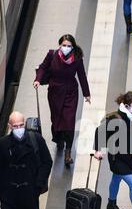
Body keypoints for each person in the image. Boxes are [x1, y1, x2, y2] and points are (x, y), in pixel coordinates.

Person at [34, 34, 91, 167]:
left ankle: (68, 152)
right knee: (56, 118)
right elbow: (43, 67)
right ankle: (59, 139)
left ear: (73, 47)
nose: (66, 48)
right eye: (64, 45)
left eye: (69, 46)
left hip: (71, 92)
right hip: (54, 92)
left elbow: (81, 75)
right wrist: (37, 79)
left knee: (69, 121)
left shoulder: (76, 58)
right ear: (59, 45)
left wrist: (86, 93)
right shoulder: (51, 55)